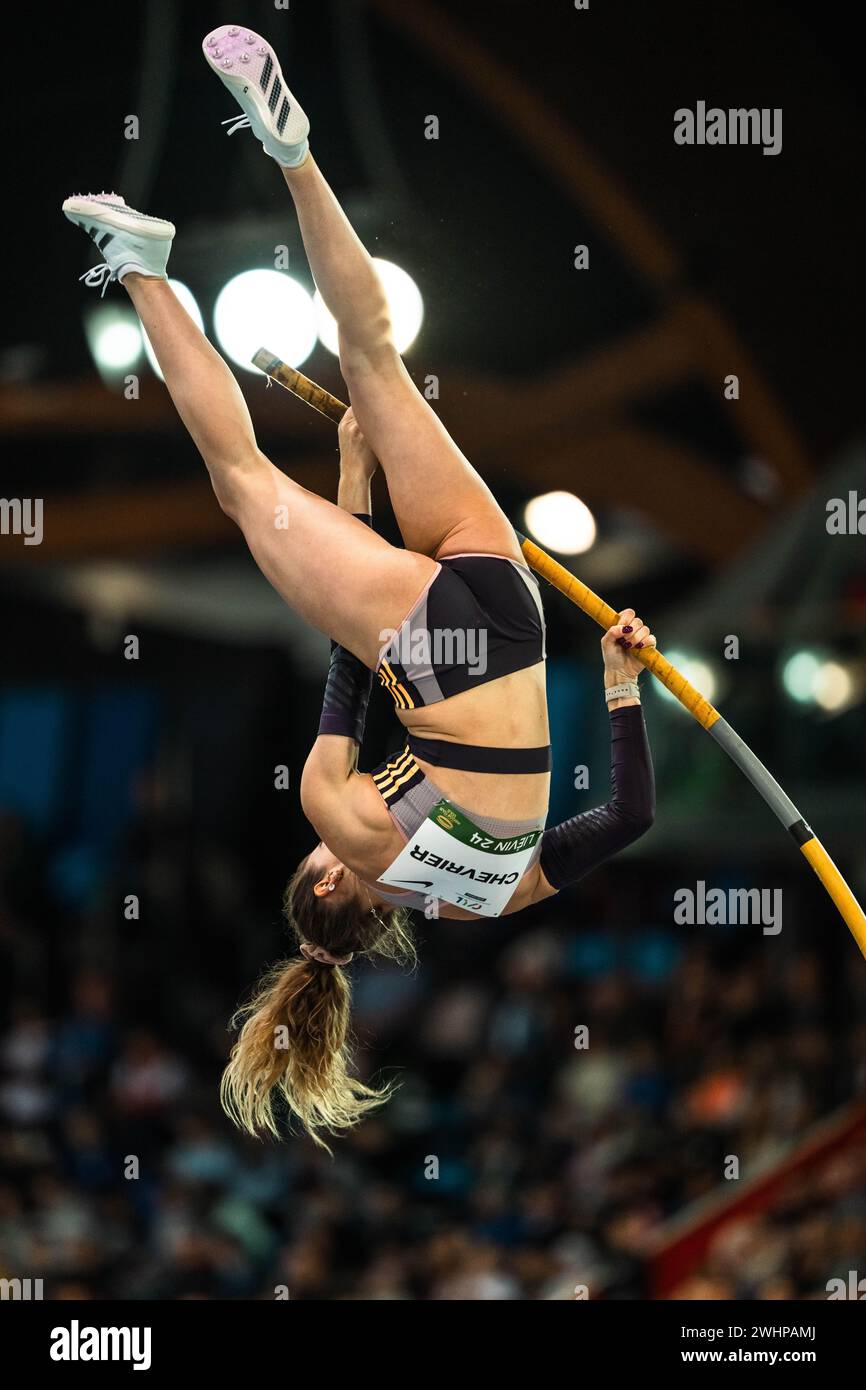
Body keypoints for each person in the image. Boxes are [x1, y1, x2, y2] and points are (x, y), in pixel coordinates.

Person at [63, 24, 656, 1146]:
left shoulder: (494, 896)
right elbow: (345, 656)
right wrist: (342, 510)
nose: (321, 849)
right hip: (424, 638)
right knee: (249, 475)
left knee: (372, 367)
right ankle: (154, 261)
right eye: (315, 864)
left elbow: (627, 814)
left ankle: (286, 154)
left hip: (512, 623)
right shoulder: (343, 821)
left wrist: (618, 681)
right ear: (329, 884)